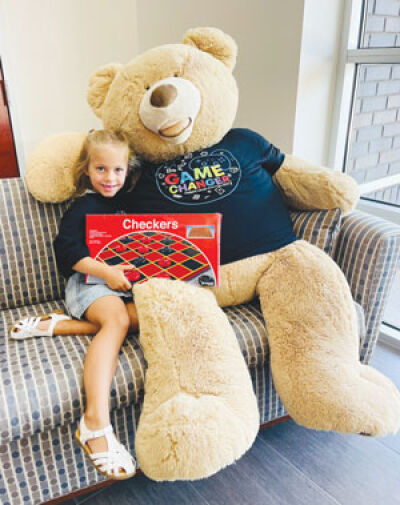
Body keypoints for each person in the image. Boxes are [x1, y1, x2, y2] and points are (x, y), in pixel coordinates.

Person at [10, 129, 140, 480]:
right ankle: (94, 422)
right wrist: (105, 272)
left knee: (147, 315)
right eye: (101, 169)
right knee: (115, 321)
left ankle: (61, 326)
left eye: (118, 170)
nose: (110, 178)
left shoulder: (133, 204)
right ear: (86, 169)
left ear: (128, 170)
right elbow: (67, 252)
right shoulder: (84, 206)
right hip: (87, 283)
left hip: (124, 288)